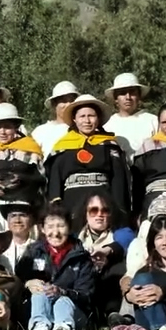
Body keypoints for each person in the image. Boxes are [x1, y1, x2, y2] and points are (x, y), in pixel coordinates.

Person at [45, 94, 130, 229]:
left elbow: (118, 180)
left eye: (91, 116)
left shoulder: (109, 146)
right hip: (71, 203)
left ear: (98, 119)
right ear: (75, 119)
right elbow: (55, 179)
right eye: (82, 116)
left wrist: (119, 209)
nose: (87, 121)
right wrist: (57, 206)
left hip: (102, 206)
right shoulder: (63, 146)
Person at [18, 201, 95, 330]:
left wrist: (62, 292)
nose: (56, 232)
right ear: (42, 229)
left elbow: (87, 296)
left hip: (73, 313)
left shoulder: (81, 257)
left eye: (61, 226)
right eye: (51, 226)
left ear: (69, 228)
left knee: (62, 300)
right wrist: (28, 283)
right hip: (39, 308)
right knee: (39, 294)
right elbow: (17, 281)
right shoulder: (33, 253)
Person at [103, 73, 156, 153]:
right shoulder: (107, 125)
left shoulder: (153, 121)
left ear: (139, 96)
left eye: (132, 93)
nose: (128, 97)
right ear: (116, 98)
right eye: (123, 93)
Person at [31, 81, 80, 157]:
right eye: (63, 101)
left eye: (72, 101)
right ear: (54, 104)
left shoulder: (84, 129)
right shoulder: (40, 132)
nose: (68, 105)